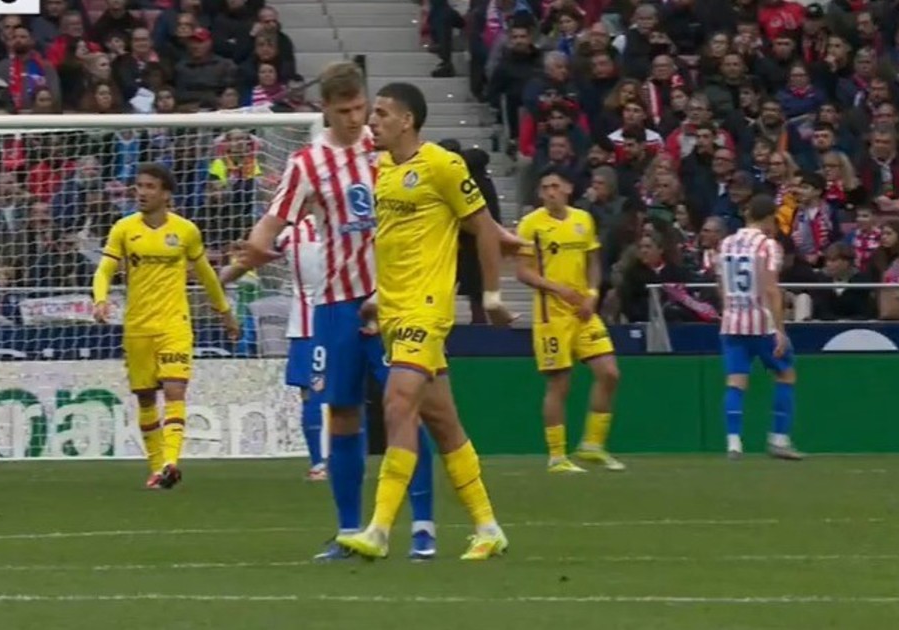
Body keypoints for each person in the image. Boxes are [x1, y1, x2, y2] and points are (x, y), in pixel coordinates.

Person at [232, 62, 438, 561]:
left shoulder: (384, 146)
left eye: (360, 108)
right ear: (324, 108)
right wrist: (255, 246)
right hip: (335, 305)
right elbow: (273, 220)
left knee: (404, 409)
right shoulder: (307, 163)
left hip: (392, 298)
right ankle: (349, 530)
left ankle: (423, 527)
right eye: (344, 110)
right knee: (343, 413)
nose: (355, 118)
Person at [336, 82, 518, 561]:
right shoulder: (383, 171)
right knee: (443, 421)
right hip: (395, 310)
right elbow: (400, 243)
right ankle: (488, 527)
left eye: (381, 113)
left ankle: (378, 530)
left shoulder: (442, 164)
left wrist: (492, 296)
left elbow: (482, 228)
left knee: (397, 403)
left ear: (407, 121)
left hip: (428, 307)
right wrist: (378, 297)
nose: (372, 121)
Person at [91, 163, 239, 489]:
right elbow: (104, 270)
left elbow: (207, 275)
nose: (141, 192)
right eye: (139, 186)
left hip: (175, 323)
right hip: (137, 326)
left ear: (166, 194)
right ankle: (158, 467)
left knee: (174, 390)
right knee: (146, 398)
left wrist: (225, 312)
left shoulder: (185, 231)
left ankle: (171, 462)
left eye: (150, 187)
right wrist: (100, 299)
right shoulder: (124, 228)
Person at [514, 168, 625, 474]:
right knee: (559, 384)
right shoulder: (531, 224)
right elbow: (522, 271)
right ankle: (557, 456)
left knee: (610, 373)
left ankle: (592, 445)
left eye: (555, 186)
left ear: (568, 188)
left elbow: (593, 262)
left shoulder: (583, 220)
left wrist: (592, 294)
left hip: (583, 312)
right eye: (544, 187)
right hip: (552, 315)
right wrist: (556, 288)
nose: (550, 192)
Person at [223, 214, 327, 481]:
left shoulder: (290, 235)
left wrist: (213, 280)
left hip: (306, 327)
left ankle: (319, 464)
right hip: (343, 320)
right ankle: (346, 461)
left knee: (310, 395)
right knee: (349, 396)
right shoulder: (346, 226)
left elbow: (245, 263)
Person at [716, 194, 803, 461]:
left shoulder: (726, 243)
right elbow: (771, 289)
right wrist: (780, 330)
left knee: (735, 382)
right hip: (761, 323)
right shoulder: (767, 245)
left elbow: (721, 285)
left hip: (732, 322)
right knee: (786, 374)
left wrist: (729, 309)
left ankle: (733, 443)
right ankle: (778, 439)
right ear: (768, 219)